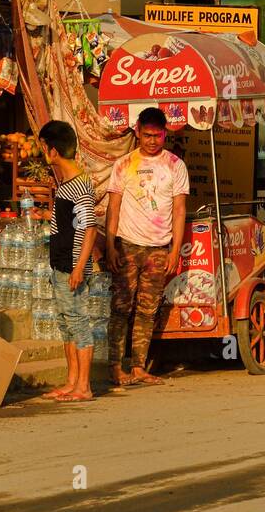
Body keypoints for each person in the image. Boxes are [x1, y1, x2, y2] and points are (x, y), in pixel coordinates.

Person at [105, 107, 189, 386]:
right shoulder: (123, 164)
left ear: (165, 133)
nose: (152, 141)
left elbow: (179, 211)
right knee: (120, 307)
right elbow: (113, 208)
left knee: (147, 309)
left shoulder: (176, 165)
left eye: (158, 135)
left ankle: (139, 367)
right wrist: (110, 245)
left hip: (158, 248)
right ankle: (116, 367)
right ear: (138, 131)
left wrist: (175, 249)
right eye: (147, 135)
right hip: (127, 245)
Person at [39, 121, 98, 402]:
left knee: (78, 323)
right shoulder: (66, 184)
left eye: (43, 147)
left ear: (52, 150)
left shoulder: (79, 186)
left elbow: (90, 227)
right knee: (66, 323)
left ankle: (84, 386)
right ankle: (72, 381)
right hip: (61, 264)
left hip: (71, 267)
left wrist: (78, 267)